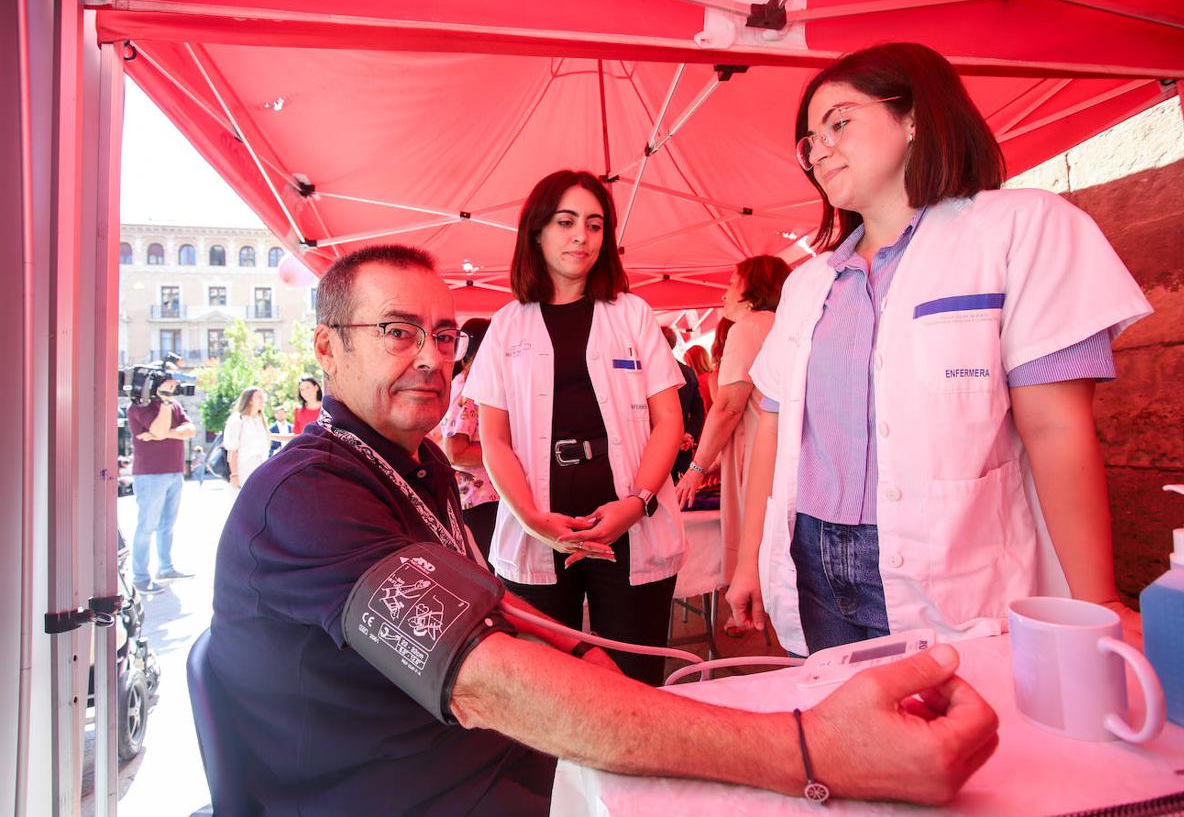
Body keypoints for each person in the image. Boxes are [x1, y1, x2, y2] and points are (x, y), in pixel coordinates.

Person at [208, 244, 1000, 813]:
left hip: (473, 758)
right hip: (387, 787)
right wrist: (809, 750)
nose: (430, 357)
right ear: (326, 346)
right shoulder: (305, 495)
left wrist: (583, 648)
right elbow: (485, 678)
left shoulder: (421, 467)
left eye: (444, 335)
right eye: (397, 331)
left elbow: (480, 607)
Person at [727, 43, 1152, 657]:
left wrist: (1098, 601)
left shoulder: (1019, 229)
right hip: (813, 559)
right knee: (848, 742)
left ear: (915, 119)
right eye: (808, 140)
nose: (818, 148)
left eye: (838, 123)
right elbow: (772, 426)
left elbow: (1057, 426)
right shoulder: (808, 283)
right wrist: (748, 565)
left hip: (955, 563)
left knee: (967, 736)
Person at [465, 170, 686, 686]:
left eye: (594, 224)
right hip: (538, 528)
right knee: (547, 687)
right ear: (537, 232)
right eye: (566, 222)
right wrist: (535, 519)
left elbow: (668, 421)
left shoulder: (631, 314)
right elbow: (493, 440)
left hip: (631, 528)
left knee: (635, 684)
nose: (581, 237)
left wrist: (636, 504)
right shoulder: (506, 325)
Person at [675, 255, 790, 635]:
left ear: (752, 289)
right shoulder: (785, 324)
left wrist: (696, 467)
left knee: (753, 542)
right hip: (785, 456)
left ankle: (750, 608)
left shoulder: (749, 327)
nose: (724, 291)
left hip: (758, 455)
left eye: (731, 282)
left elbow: (727, 406)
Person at [126, 376, 197, 593]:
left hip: (174, 473)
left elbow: (191, 430)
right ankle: (140, 577)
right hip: (150, 475)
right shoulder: (140, 406)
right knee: (147, 526)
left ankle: (165, 568)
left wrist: (164, 435)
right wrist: (165, 406)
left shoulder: (174, 405)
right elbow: (158, 428)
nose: (173, 389)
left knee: (168, 525)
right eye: (169, 385)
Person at [441, 317, 501, 564]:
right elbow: (456, 453)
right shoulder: (467, 391)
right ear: (467, 357)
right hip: (478, 501)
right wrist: (505, 449)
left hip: (484, 497)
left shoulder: (474, 387)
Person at [662, 326, 706, 481]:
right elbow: (698, 411)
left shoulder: (646, 373)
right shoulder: (688, 372)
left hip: (658, 450)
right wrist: (690, 434)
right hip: (682, 447)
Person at [223, 387, 272, 490]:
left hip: (261, 467)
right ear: (249, 400)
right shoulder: (238, 419)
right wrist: (234, 475)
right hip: (244, 468)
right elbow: (232, 449)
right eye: (259, 397)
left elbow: (268, 436)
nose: (263, 400)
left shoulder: (260, 419)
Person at [683, 344, 714, 412]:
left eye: (687, 363)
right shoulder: (715, 375)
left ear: (693, 363)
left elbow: (704, 410)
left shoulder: (698, 383)